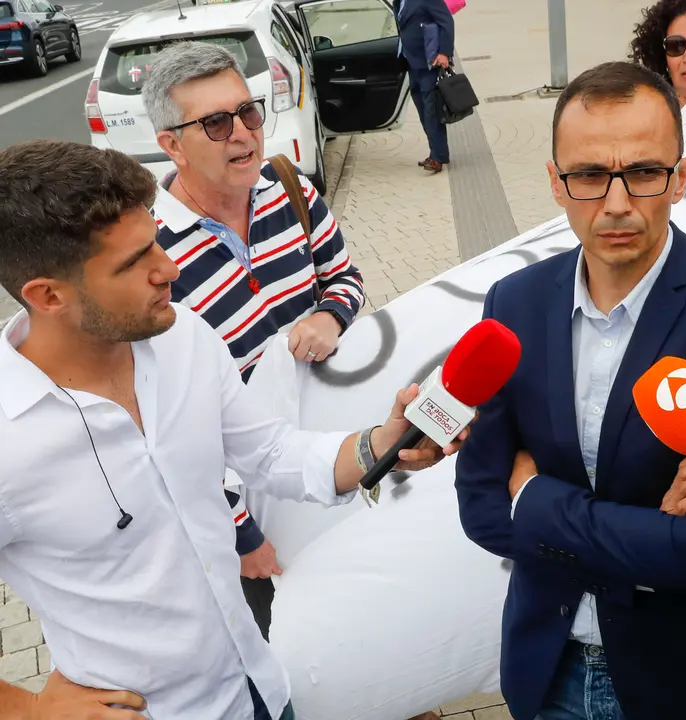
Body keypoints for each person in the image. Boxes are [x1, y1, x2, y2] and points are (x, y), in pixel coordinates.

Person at [0, 140, 462, 719]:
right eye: (133, 262)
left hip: (262, 689)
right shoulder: (8, 439)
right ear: (48, 296)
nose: (168, 269)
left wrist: (376, 445)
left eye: (156, 243)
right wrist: (25, 710)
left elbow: (269, 453)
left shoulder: (182, 336)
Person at [454, 61, 686, 720]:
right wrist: (646, 532)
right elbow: (481, 510)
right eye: (588, 176)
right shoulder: (513, 305)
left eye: (643, 173)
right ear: (555, 183)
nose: (615, 204)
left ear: (683, 176)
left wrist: (534, 496)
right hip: (547, 670)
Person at [143, 40, 367, 640]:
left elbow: (346, 278)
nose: (243, 133)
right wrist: (241, 533)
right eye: (215, 122)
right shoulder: (151, 256)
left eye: (248, 112)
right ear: (171, 145)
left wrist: (330, 316)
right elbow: (172, 422)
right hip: (248, 503)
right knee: (289, 644)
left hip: (328, 452)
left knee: (356, 605)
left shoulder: (290, 187)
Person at [394, 0, 454, 174]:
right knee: (423, 110)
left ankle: (436, 158)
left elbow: (447, 21)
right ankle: (439, 153)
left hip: (429, 61)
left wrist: (444, 52)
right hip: (411, 62)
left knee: (430, 110)